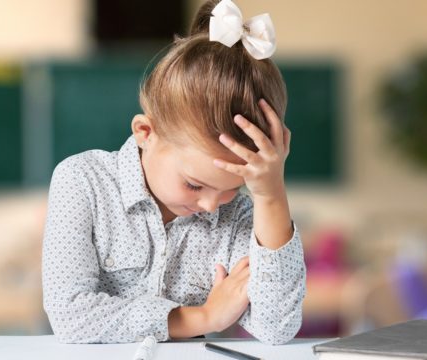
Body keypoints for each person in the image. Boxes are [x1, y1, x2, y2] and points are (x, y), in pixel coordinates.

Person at [42, 0, 306, 345]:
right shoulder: (82, 181)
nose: (213, 205)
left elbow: (277, 327)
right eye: (195, 184)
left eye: (232, 189)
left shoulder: (241, 217)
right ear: (145, 133)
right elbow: (71, 315)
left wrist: (270, 195)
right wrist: (203, 317)